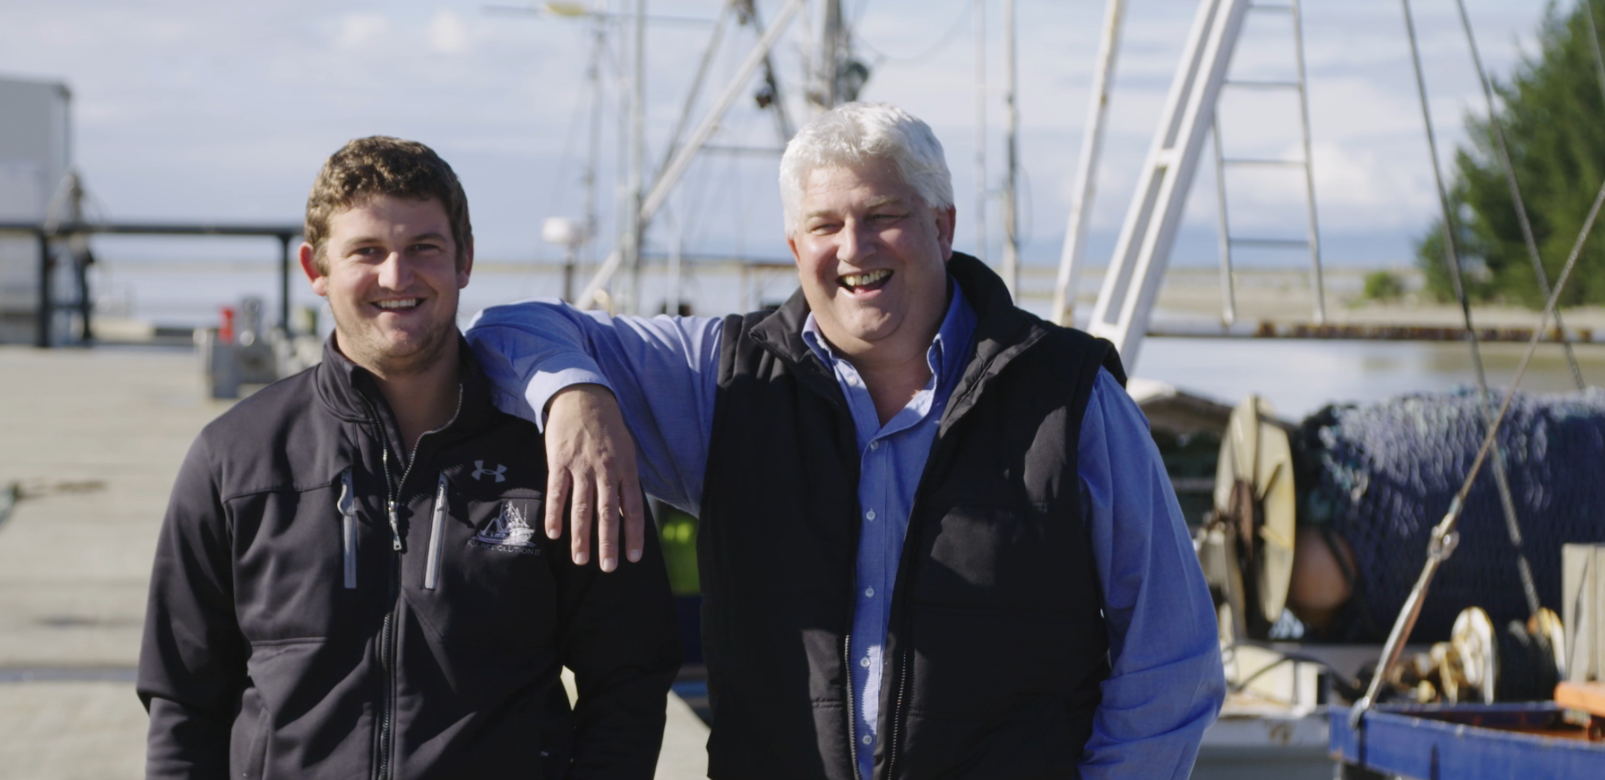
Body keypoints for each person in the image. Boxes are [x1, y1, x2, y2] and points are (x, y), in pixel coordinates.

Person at [467, 103, 1224, 779]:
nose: (854, 249)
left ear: (942, 225)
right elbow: (505, 331)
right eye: (825, 226)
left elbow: (1171, 659)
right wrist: (576, 394)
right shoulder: (723, 383)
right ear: (796, 245)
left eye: (882, 215)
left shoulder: (1068, 396)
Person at [137, 136, 680, 779]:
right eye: (367, 251)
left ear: (465, 259)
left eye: (423, 248)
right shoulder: (235, 460)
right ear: (316, 270)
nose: (397, 276)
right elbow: (182, 705)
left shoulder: (562, 459)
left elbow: (629, 680)